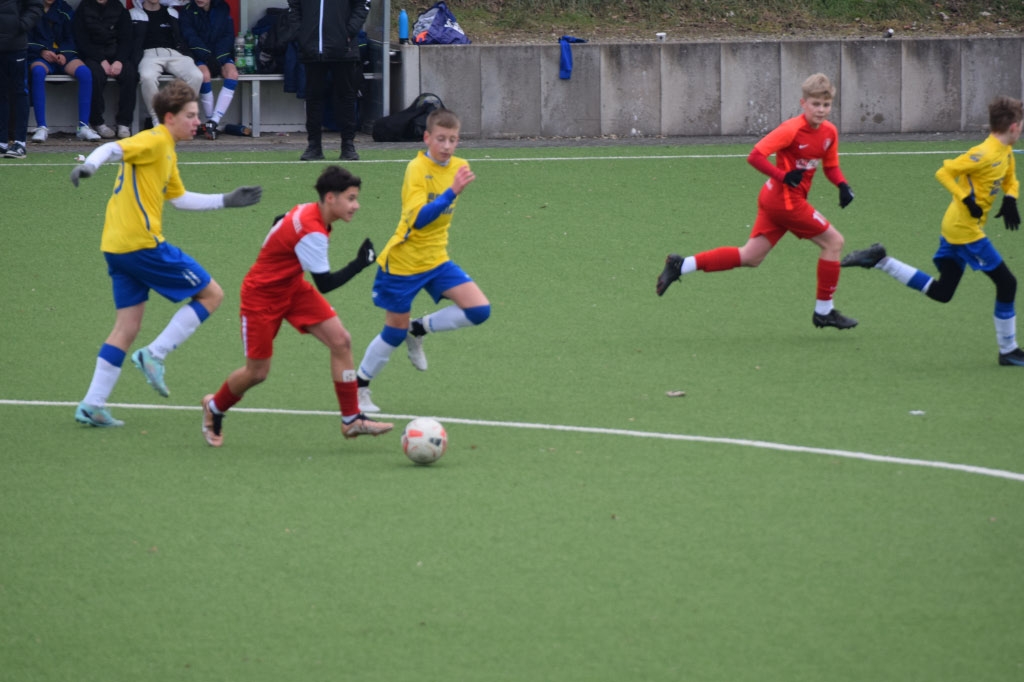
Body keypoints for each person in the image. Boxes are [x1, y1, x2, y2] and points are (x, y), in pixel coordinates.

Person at [70, 79, 262, 427]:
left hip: (116, 247)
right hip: (141, 244)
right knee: (212, 295)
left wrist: (225, 200)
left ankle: (92, 405)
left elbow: (179, 200)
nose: (197, 121)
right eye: (190, 115)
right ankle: (155, 354)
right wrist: (90, 166)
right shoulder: (156, 140)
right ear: (169, 117)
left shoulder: (168, 149)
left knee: (126, 327)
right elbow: (112, 148)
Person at [200, 165, 393, 446]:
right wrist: (360, 263)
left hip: (292, 288)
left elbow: (279, 220)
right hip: (261, 298)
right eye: (351, 199)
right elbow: (325, 283)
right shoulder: (313, 231)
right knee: (257, 372)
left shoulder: (308, 210)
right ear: (331, 198)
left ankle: (351, 419)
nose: (356, 205)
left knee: (341, 341)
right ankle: (214, 407)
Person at [656, 72, 859, 330]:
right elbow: (755, 156)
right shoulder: (791, 129)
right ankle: (824, 311)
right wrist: (783, 176)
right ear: (803, 103)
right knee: (834, 242)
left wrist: (842, 185)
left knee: (751, 256)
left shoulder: (829, 132)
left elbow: (830, 166)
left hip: (776, 200)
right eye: (815, 104)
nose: (821, 110)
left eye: (826, 105)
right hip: (786, 202)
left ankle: (681, 265)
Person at [842, 96, 1024, 367]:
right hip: (964, 231)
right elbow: (945, 172)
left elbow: (1011, 178)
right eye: (1021, 126)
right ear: (1013, 127)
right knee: (1007, 283)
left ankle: (880, 260)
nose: (1021, 130)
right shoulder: (984, 153)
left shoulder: (1005, 150)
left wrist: (1010, 199)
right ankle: (1008, 350)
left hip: (959, 227)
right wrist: (965, 198)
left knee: (943, 292)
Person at [355, 108, 491, 413]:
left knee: (479, 310)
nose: (447, 146)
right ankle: (359, 389)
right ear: (427, 138)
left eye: (453, 139)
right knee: (393, 332)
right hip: (402, 263)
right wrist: (450, 192)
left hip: (436, 259)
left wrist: (451, 190)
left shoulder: (460, 167)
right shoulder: (416, 169)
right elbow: (418, 220)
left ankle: (418, 329)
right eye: (441, 139)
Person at [287, 0, 367, 161]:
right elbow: (293, 6)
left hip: (344, 49)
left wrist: (349, 31)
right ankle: (314, 146)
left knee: (346, 97)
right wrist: (301, 33)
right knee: (313, 97)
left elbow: (363, 4)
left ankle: (348, 145)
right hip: (311, 47)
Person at [27, 0, 101, 141]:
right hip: (40, 56)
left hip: (63, 56)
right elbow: (25, 38)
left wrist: (64, 53)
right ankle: (41, 127)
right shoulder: (30, 8)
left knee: (85, 73)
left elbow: (71, 37)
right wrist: (41, 50)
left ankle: (83, 127)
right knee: (37, 72)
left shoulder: (64, 9)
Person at [129, 0, 203, 128]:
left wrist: (187, 54)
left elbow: (181, 38)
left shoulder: (172, 13)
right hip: (148, 54)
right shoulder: (133, 14)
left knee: (196, 76)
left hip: (173, 53)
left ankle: (180, 117)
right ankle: (158, 120)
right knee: (147, 77)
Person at [72, 0, 137, 140]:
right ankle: (98, 122)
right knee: (94, 75)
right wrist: (101, 60)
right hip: (93, 56)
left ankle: (124, 123)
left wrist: (119, 60)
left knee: (130, 74)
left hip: (116, 54)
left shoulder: (119, 8)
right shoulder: (83, 8)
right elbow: (82, 41)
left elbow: (127, 39)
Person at [178, 0, 236, 140]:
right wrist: (208, 57)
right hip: (199, 55)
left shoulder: (222, 8)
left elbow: (227, 36)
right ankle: (210, 121)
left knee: (232, 74)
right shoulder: (187, 11)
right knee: (204, 75)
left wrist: (219, 59)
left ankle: (213, 121)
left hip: (220, 55)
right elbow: (190, 37)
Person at [0, 0, 44, 159]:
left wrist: (21, 25)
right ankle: (2, 142)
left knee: (19, 92)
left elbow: (35, 6)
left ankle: (20, 142)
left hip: (15, 46)